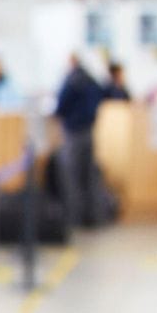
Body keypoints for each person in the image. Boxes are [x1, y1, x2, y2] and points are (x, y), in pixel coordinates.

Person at [53, 53, 105, 227]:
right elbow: (102, 96)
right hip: (89, 132)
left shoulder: (71, 81)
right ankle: (94, 216)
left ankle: (74, 218)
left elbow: (60, 106)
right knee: (89, 176)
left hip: (73, 133)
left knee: (71, 177)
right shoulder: (91, 80)